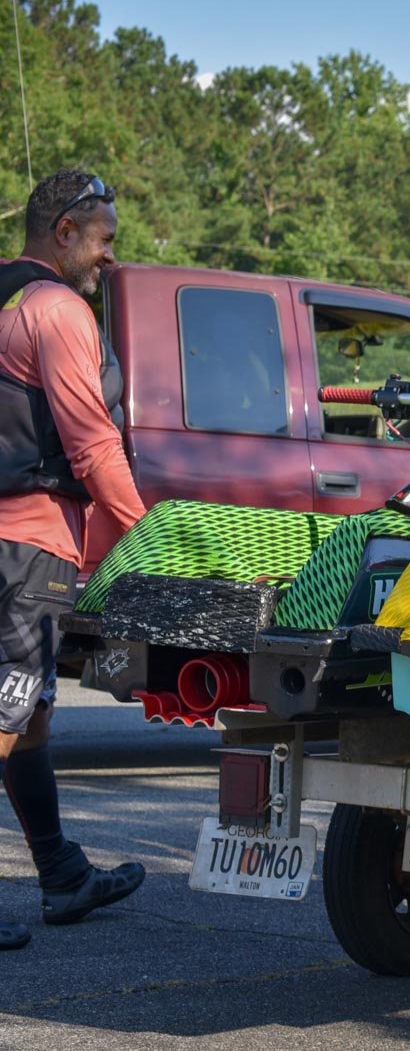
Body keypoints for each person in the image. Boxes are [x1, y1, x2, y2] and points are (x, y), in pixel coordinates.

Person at [0, 169, 149, 951]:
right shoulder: (57, 310)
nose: (109, 256)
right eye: (102, 238)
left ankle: (61, 874)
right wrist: (146, 534)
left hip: (17, 541)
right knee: (7, 709)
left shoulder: (5, 298)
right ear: (63, 230)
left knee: (31, 719)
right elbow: (91, 441)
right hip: (26, 546)